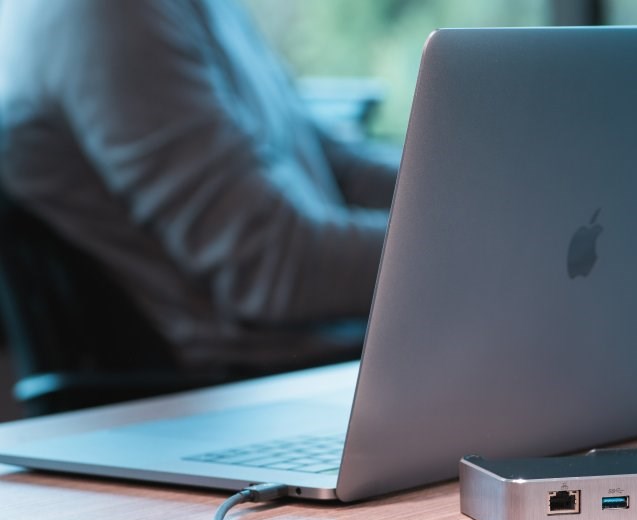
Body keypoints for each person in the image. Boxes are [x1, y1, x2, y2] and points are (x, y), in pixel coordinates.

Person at [0, 0, 398, 373]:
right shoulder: (112, 16)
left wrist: (450, 194)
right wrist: (451, 249)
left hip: (324, 358)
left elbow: (334, 166)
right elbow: (271, 264)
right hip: (245, 387)